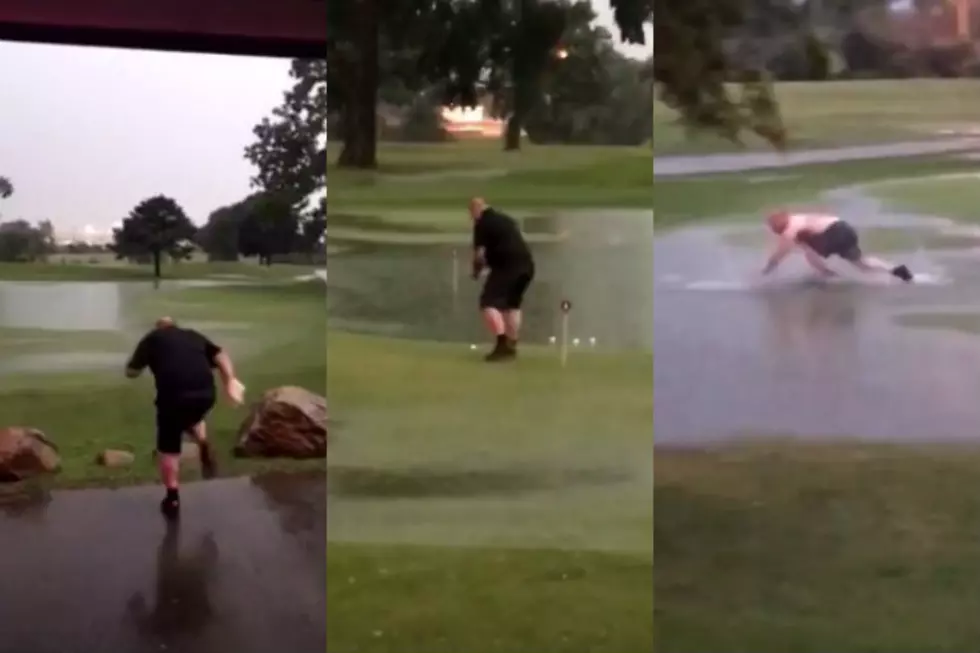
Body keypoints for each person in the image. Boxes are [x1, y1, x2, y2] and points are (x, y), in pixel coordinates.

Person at [125, 317, 244, 519]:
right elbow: (220, 354)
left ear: (159, 328)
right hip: (206, 395)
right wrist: (229, 379)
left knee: (168, 447)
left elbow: (131, 372)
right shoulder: (192, 335)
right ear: (175, 326)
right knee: (192, 416)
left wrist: (139, 366)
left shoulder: (152, 339)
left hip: (173, 399)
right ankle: (203, 441)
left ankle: (172, 497)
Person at [469, 197, 536, 361]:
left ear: (476, 210)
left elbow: (479, 255)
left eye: (471, 213)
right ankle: (512, 344)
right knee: (512, 305)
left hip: (508, 267)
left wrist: (476, 272)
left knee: (488, 303)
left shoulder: (482, 223)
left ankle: (502, 344)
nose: (471, 217)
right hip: (527, 266)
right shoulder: (506, 219)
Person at [762, 210, 914, 282]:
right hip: (845, 228)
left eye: (773, 228)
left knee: (806, 246)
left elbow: (781, 253)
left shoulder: (790, 231)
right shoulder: (798, 218)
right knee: (862, 263)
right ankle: (896, 270)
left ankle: (827, 274)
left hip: (832, 234)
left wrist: (768, 269)